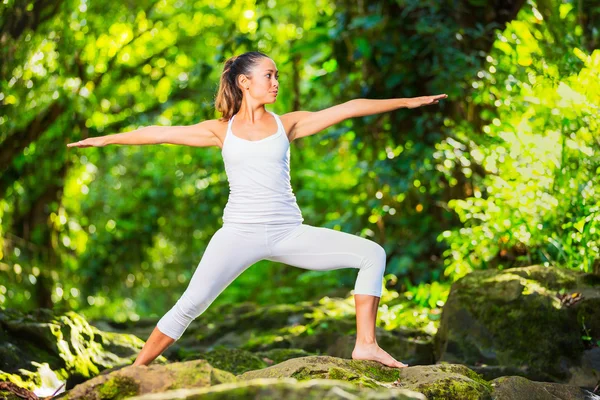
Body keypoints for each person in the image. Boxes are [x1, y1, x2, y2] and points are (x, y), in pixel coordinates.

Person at [67, 50, 447, 369]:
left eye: (278, 75)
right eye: (269, 75)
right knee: (191, 304)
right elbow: (157, 133)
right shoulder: (220, 130)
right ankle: (135, 371)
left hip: (288, 233)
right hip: (238, 234)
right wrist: (104, 139)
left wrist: (407, 101)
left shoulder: (289, 124)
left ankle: (366, 344)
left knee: (372, 254)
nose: (276, 82)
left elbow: (349, 108)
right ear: (245, 82)